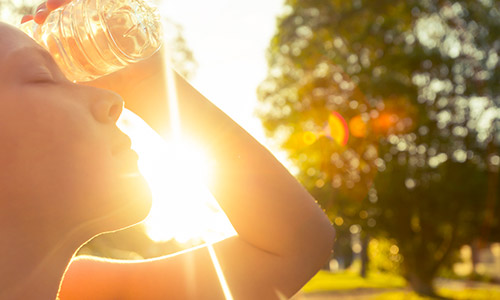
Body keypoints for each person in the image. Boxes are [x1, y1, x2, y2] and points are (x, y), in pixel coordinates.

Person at [0, 0, 335, 299]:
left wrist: (147, 82)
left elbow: (297, 244)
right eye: (42, 76)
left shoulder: (80, 290)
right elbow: (293, 248)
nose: (114, 101)